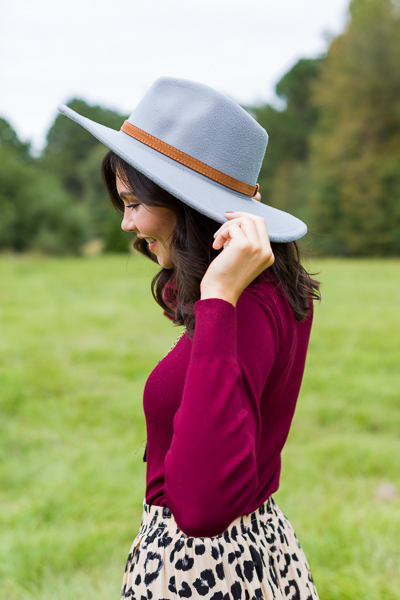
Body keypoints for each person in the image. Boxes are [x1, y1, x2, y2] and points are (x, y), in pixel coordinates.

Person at [58, 77, 321, 600]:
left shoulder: (238, 304)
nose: (129, 223)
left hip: (204, 571)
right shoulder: (275, 287)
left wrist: (218, 296)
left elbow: (201, 508)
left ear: (184, 202)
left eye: (134, 203)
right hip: (255, 547)